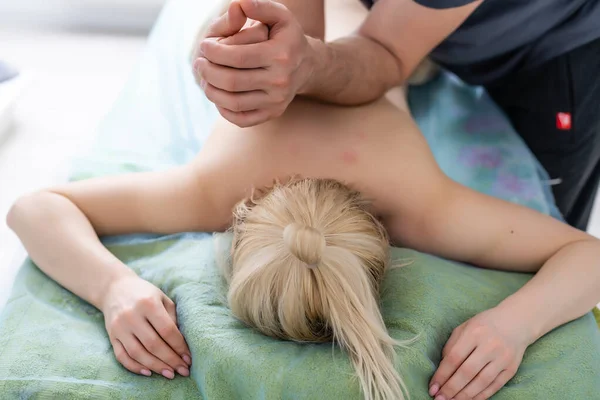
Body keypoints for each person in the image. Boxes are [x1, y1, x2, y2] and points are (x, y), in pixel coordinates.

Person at [8, 15, 600, 397]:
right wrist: (513, 324)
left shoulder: (415, 206)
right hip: (336, 34)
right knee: (247, 36)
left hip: (375, 38)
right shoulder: (217, 192)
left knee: (259, 37)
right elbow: (33, 208)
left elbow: (37, 208)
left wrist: (115, 287)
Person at [193, 0, 600, 233]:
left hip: (553, 49)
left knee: (555, 203)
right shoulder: (425, 205)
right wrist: (271, 54)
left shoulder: (201, 191)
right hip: (421, 23)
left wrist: (312, 63)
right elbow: (296, 27)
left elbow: (385, 51)